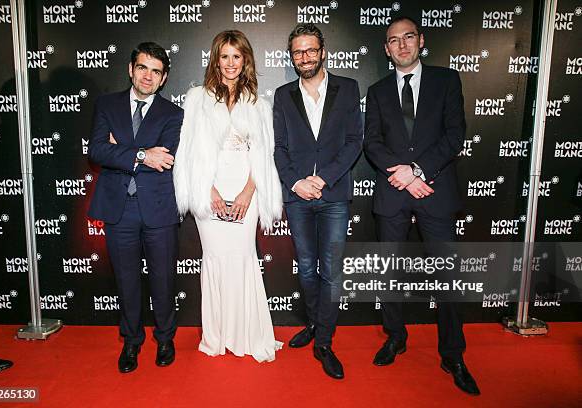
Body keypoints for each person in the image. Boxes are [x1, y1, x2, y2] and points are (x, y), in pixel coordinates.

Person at [363, 17, 479, 395]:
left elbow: (454, 134)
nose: (401, 45)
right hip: (394, 193)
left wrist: (417, 172)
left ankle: (453, 354)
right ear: (386, 48)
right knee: (389, 273)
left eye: (408, 37)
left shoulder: (446, 81)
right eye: (393, 40)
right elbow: (372, 142)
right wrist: (404, 177)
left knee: (448, 278)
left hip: (435, 191)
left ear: (421, 41)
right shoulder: (378, 91)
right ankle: (395, 337)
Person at [173, 30, 283, 362]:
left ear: (245, 60)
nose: (231, 63)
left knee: (243, 258)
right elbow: (189, 152)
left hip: (245, 187)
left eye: (237, 56)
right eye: (225, 56)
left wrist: (250, 193)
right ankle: (218, 334)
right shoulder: (196, 98)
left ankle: (248, 334)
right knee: (217, 260)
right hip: (211, 188)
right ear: (215, 59)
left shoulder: (259, 104)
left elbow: (264, 154)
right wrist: (208, 192)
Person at [273, 23, 363, 379]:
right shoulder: (282, 95)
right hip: (297, 196)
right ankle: (314, 323)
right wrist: (296, 182)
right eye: (298, 52)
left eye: (311, 50)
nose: (305, 57)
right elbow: (278, 147)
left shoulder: (348, 88)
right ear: (291, 57)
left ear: (323, 51)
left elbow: (354, 141)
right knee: (308, 268)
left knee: (332, 271)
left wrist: (323, 179)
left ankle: (324, 341)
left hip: (333, 194)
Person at [88, 42, 183, 373]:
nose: (148, 76)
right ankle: (131, 341)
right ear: (131, 69)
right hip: (119, 208)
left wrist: (123, 149)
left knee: (163, 279)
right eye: (143, 67)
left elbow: (165, 157)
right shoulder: (107, 105)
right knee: (126, 279)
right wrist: (142, 153)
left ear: (164, 77)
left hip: (158, 207)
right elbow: (97, 151)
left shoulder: (173, 114)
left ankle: (165, 338)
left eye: (156, 71)